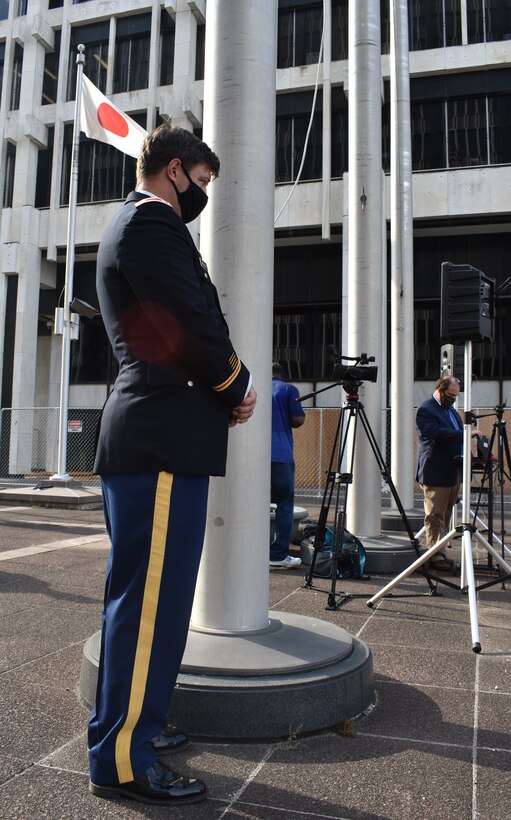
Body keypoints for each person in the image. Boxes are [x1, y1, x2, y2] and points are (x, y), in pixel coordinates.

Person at [88, 124, 256, 806]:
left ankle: (137, 726)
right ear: (175, 170)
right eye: (202, 183)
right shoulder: (149, 226)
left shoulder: (143, 226)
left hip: (163, 436)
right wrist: (237, 384)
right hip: (159, 438)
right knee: (148, 605)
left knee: (155, 602)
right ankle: (122, 757)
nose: (202, 197)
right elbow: (185, 322)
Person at [415, 376, 479, 571]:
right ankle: (434, 557)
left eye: (455, 395)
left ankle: (440, 552)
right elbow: (437, 434)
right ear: (440, 390)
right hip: (436, 471)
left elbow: (459, 440)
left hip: (452, 471)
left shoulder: (450, 410)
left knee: (446, 514)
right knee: (434, 515)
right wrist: (466, 433)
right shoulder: (426, 409)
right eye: (451, 395)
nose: (453, 398)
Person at [269, 362, 305, 568]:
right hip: (280, 454)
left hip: (253, 455)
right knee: (284, 503)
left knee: (254, 504)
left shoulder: (255, 387)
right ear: (282, 374)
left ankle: (251, 549)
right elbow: (297, 419)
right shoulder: (288, 389)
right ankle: (277, 555)